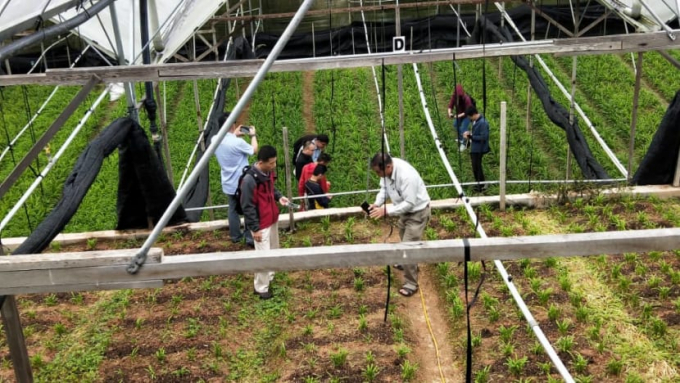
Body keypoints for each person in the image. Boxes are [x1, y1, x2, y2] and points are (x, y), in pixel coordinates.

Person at [367, 152, 431, 298]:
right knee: (403, 237)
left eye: (378, 172)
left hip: (417, 213)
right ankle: (406, 263)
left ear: (388, 166)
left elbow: (409, 203)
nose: (378, 175)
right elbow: (384, 189)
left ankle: (411, 284)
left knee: (408, 248)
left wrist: (386, 210)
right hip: (402, 211)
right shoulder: (386, 173)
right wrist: (377, 204)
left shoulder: (407, 175)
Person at [240, 145, 290, 300]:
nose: (274, 166)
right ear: (261, 162)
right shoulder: (249, 180)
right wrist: (254, 229)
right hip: (261, 224)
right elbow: (247, 206)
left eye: (275, 162)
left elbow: (271, 190)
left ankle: (269, 276)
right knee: (263, 255)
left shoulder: (267, 173)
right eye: (271, 163)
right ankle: (261, 288)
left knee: (273, 249)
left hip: (271, 218)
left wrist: (279, 197)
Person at [213, 113, 257, 247]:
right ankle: (249, 237)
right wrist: (253, 136)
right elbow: (254, 150)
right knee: (248, 207)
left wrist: (234, 134)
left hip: (227, 182)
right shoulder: (238, 143)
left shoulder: (214, 139)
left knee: (232, 208)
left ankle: (235, 236)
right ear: (232, 125)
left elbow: (227, 142)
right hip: (242, 182)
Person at [463, 106, 490, 193]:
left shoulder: (483, 123)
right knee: (475, 166)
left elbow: (484, 137)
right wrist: (470, 133)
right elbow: (477, 133)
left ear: (473, 114)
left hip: (479, 149)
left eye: (469, 117)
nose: (469, 118)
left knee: (477, 166)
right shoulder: (476, 121)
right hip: (475, 148)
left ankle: (481, 185)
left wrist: (470, 136)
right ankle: (479, 183)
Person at [447, 84, 474, 152]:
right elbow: (450, 106)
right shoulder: (454, 97)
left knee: (463, 128)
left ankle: (464, 144)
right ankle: (461, 138)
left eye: (459, 96)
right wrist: (450, 113)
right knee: (455, 125)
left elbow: (467, 111)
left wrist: (458, 116)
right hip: (460, 114)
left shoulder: (466, 98)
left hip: (468, 115)